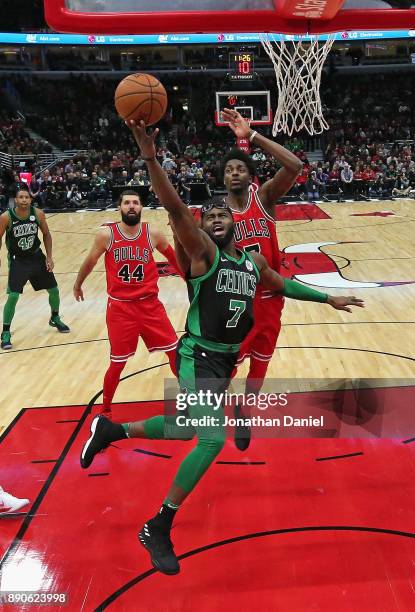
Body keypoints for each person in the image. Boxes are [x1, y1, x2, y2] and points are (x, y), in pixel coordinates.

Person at [79, 119, 364, 576]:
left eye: (221, 216)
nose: (214, 219)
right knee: (211, 438)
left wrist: (328, 297)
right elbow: (173, 207)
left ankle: (113, 432)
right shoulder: (202, 255)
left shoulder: (251, 262)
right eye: (207, 216)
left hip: (224, 361)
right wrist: (150, 157)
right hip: (198, 354)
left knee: (183, 430)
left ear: (234, 221)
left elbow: (283, 284)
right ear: (202, 227)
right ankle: (159, 524)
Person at [219, 108, 303, 450]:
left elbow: (295, 166)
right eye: (228, 170)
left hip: (271, 299)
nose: (235, 173)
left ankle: (245, 411)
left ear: (251, 176)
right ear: (222, 179)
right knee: (227, 367)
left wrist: (252, 136)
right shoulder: (216, 215)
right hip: (237, 302)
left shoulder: (264, 197)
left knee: (261, 365)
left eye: (241, 168)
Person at [73, 189, 179, 419]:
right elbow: (90, 261)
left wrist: (193, 279)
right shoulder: (106, 235)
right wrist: (78, 283)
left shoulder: (153, 233)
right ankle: (106, 409)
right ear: (119, 208)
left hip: (150, 305)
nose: (131, 206)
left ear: (142, 207)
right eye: (127, 203)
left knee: (175, 353)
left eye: (136, 203)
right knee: (117, 363)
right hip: (121, 309)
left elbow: (173, 259)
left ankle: (190, 399)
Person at [0, 188, 70, 350]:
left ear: (31, 200)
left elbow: (46, 234)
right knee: (13, 296)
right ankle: (5, 332)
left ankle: (55, 318)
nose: (24, 199)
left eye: (27, 197)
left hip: (37, 257)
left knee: (54, 290)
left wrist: (49, 257)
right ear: (15, 200)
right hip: (18, 261)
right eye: (21, 197)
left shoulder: (38, 214)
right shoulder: (6, 217)